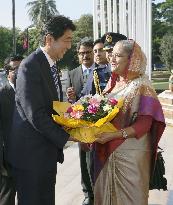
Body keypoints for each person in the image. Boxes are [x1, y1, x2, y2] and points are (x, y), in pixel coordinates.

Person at [7, 15, 76, 205]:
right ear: (49, 39)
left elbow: (51, 107)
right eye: (67, 40)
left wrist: (71, 121)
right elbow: (35, 115)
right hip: (30, 157)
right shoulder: (30, 66)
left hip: (44, 153)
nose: (69, 46)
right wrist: (68, 137)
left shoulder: (50, 65)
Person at [94, 40, 166, 205]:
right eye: (112, 54)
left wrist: (113, 135)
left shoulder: (142, 86)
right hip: (107, 151)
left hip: (130, 155)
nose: (112, 58)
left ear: (131, 60)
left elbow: (144, 124)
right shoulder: (112, 85)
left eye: (118, 55)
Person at [66, 37, 95, 205]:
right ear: (78, 55)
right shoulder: (72, 73)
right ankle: (87, 194)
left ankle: (99, 190)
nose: (85, 56)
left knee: (97, 160)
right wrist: (71, 99)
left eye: (88, 52)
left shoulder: (101, 70)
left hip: (99, 124)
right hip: (80, 125)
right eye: (81, 53)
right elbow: (70, 102)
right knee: (83, 159)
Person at [0, 55, 23, 205]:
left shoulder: (30, 92)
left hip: (28, 155)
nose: (20, 72)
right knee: (7, 197)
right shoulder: (2, 94)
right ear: (8, 72)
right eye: (16, 69)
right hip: (7, 158)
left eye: (23, 68)